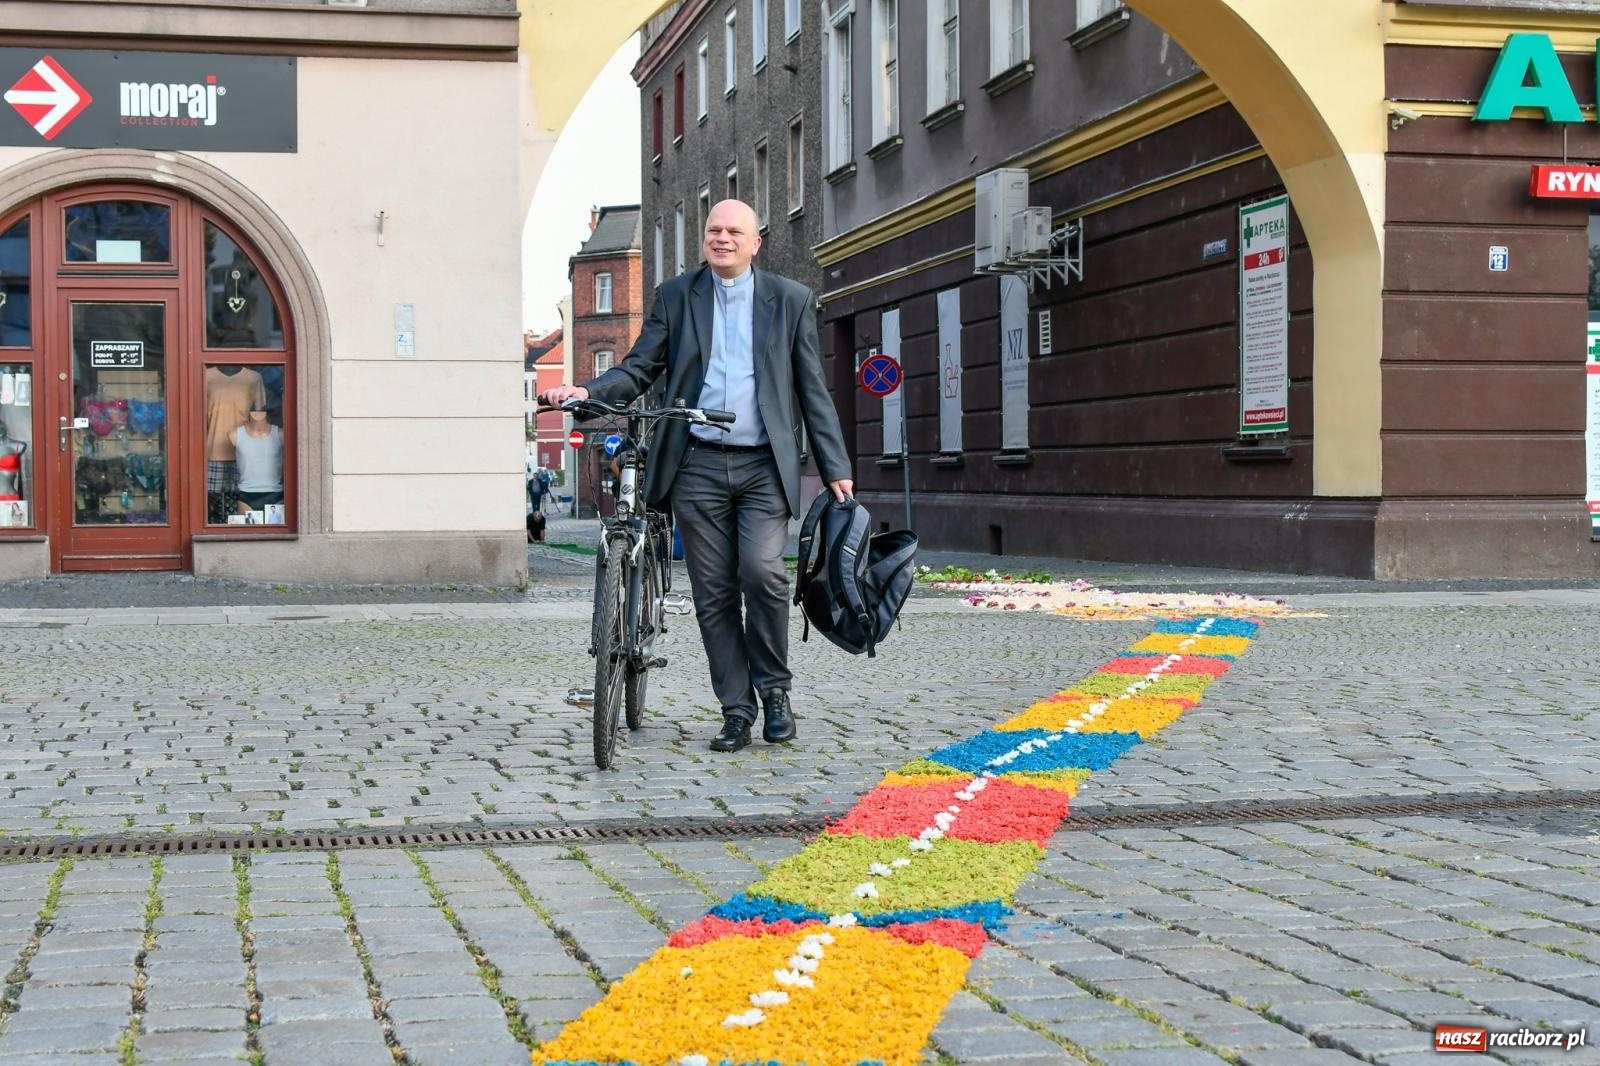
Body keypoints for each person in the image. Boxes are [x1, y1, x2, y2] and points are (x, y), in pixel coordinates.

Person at [540, 199, 853, 754]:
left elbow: (812, 390)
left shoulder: (791, 300)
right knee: (712, 593)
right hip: (698, 464)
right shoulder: (678, 297)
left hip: (762, 465)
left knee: (762, 574)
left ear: (757, 242)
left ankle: (775, 693)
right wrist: (588, 391)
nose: (723, 237)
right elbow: (640, 368)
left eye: (735, 230)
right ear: (704, 240)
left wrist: (835, 468)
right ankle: (736, 710)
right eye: (715, 230)